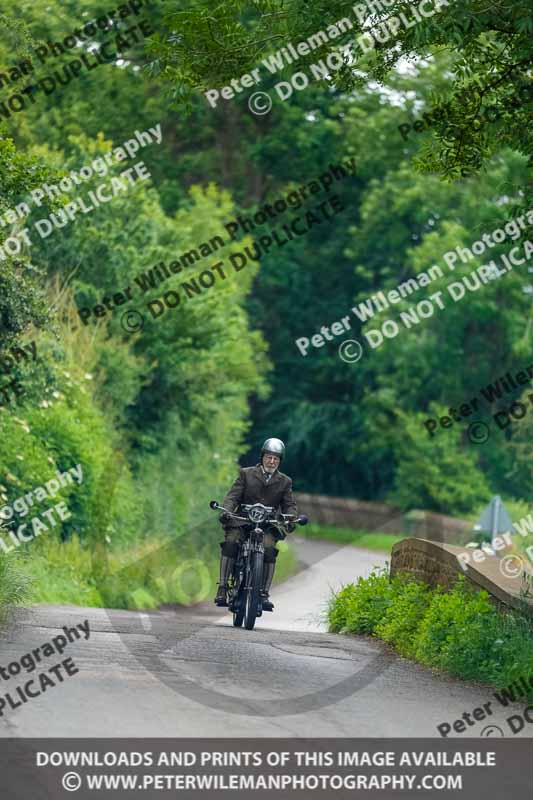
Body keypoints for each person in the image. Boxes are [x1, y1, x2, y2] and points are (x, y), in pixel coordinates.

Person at [214, 437, 298, 611]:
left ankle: (264, 593)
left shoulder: (285, 481)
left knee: (268, 548)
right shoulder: (246, 473)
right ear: (262, 457)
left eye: (276, 458)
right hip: (242, 521)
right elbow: (233, 496)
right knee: (231, 542)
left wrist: (291, 518)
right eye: (269, 457)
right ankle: (222, 587)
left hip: (267, 524)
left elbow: (289, 505)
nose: (272, 461)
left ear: (280, 461)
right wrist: (227, 510)